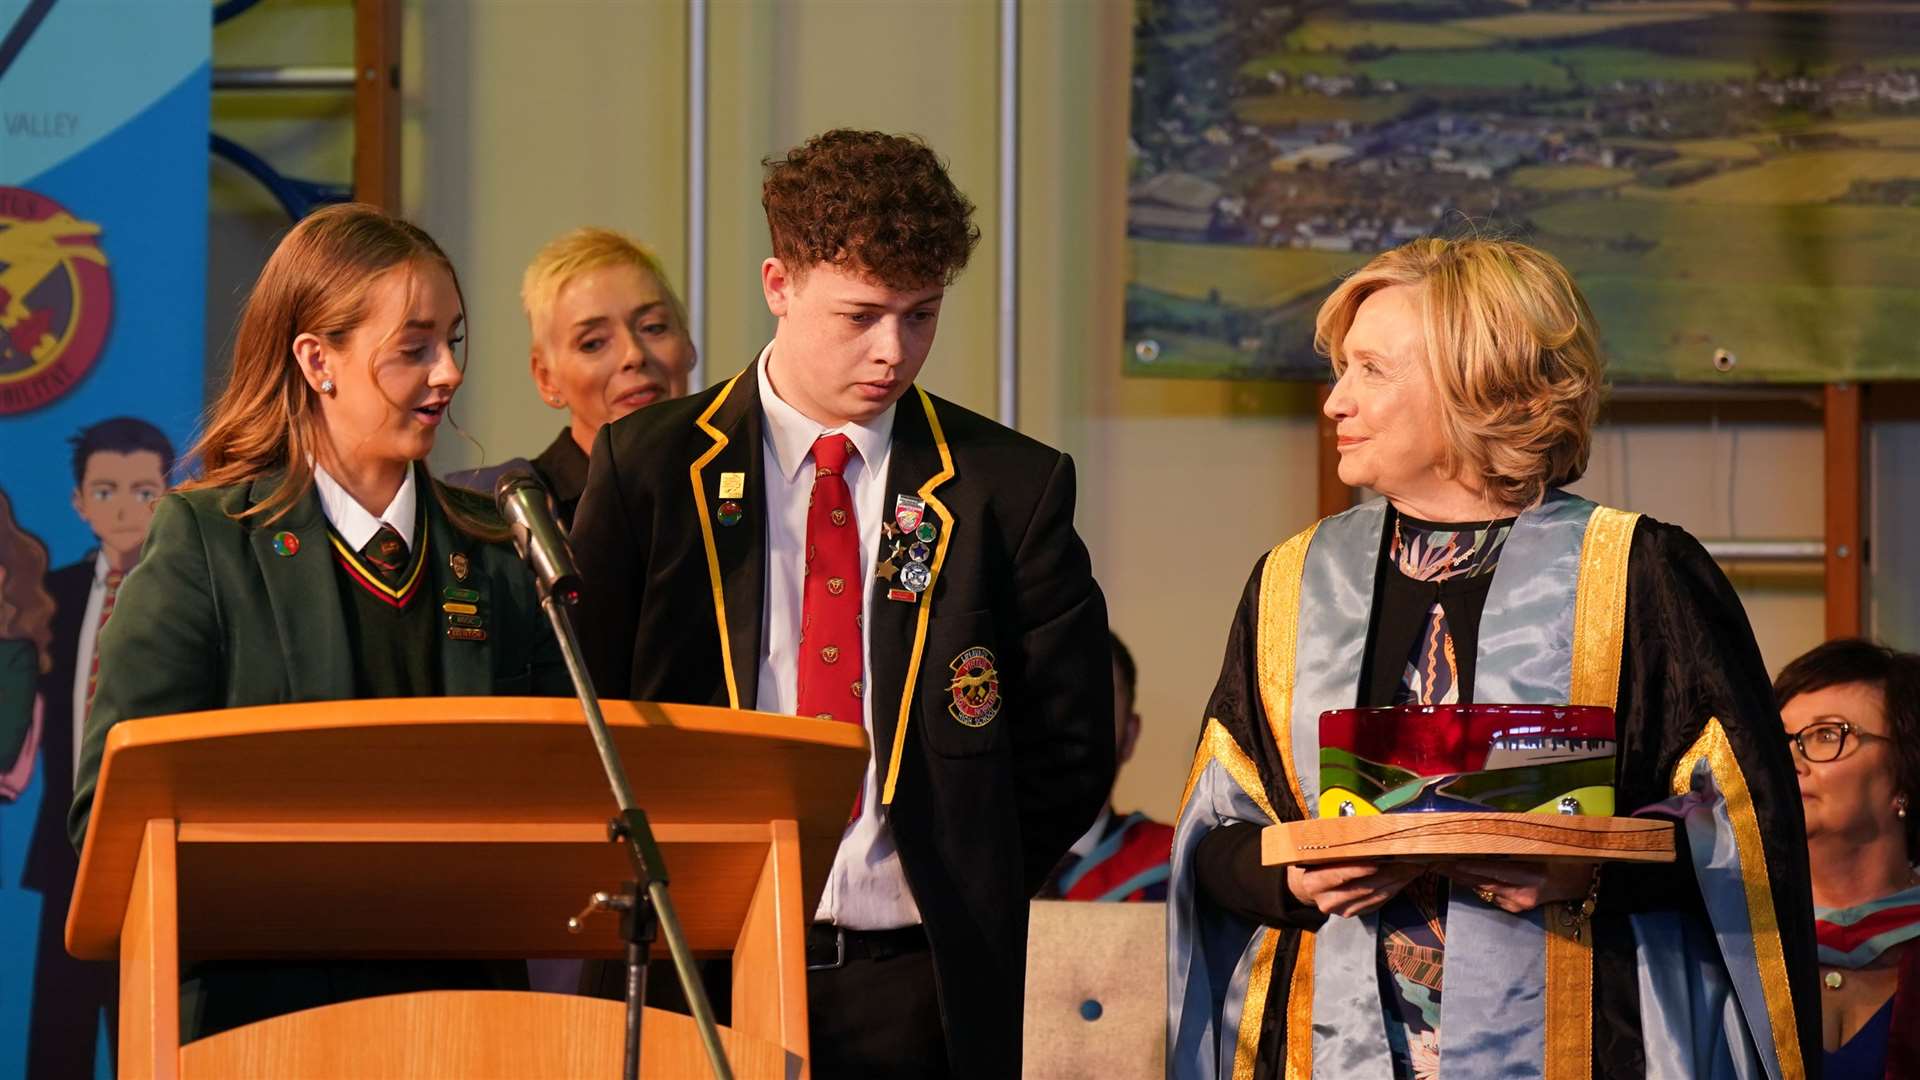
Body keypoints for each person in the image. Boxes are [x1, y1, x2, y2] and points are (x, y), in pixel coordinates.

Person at [1168, 237, 1817, 1080]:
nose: (1334, 401)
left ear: (1477, 383)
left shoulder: (1637, 576)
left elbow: (1747, 834)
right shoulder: (1293, 584)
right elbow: (1215, 845)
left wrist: (1580, 871)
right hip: (1334, 1047)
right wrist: (1294, 877)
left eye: (1371, 370)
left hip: (1588, 1037)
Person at [570, 129, 1114, 1079]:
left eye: (922, 316)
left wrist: (957, 878)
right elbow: (584, 713)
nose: (892, 351)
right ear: (779, 284)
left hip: (914, 976)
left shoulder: (1005, 486)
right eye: (861, 315)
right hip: (696, 961)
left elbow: (1068, 745)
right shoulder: (650, 468)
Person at [66, 202, 568, 1039]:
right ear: (316, 360)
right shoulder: (208, 545)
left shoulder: (498, 549)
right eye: (413, 348)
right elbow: (108, 828)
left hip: (472, 1024)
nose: (446, 373)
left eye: (454, 341)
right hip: (259, 1022)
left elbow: (567, 794)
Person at [447, 227, 695, 527]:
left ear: (688, 343)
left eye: (653, 327)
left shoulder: (740, 483)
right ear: (546, 378)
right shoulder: (492, 511)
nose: (634, 355)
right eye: (593, 343)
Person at [1777, 638, 1920, 1077]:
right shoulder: (1737, 943)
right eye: (1778, 740)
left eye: (1827, 735)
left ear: (1904, 772)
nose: (1791, 762)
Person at [1039, 632, 1174, 902]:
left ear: (1130, 736)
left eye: (1095, 703)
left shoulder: (1176, 869)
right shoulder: (963, 868)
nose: (1069, 724)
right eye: (1049, 699)